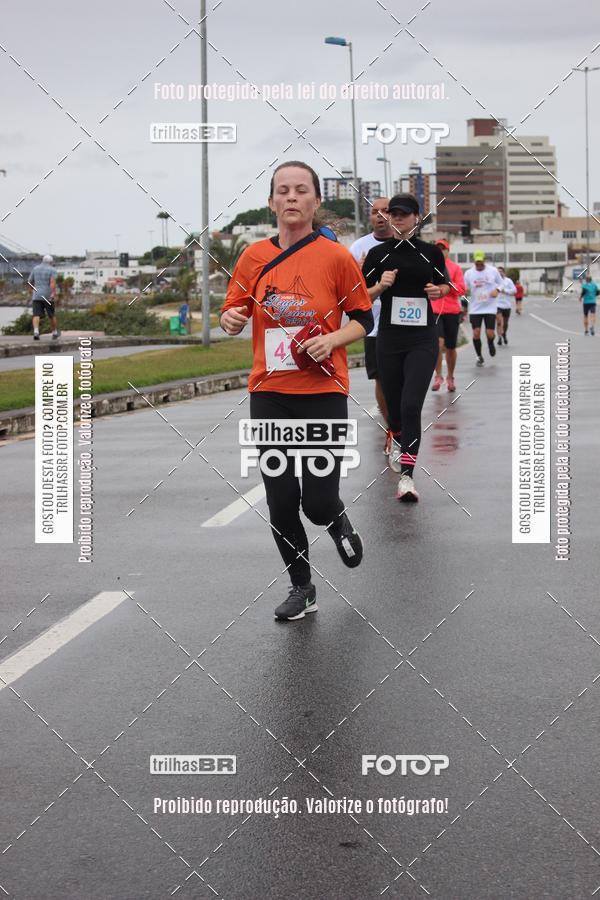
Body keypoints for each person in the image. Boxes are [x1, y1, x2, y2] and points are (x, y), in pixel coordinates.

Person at [220, 161, 373, 621]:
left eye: (300, 190)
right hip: (270, 393)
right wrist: (229, 319)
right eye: (282, 191)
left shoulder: (336, 257)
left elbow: (364, 319)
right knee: (281, 499)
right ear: (271, 202)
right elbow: (234, 309)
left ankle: (336, 516)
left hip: (324, 392)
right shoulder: (253, 257)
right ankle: (302, 586)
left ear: (315, 201)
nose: (291, 197)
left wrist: (332, 339)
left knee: (318, 501)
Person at [362, 193, 450, 502]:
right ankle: (396, 437)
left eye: (403, 213)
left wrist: (437, 290)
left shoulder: (431, 253)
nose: (396, 218)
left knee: (412, 405)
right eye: (392, 213)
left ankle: (408, 478)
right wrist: (381, 286)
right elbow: (362, 297)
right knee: (396, 410)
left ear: (416, 218)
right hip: (388, 339)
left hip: (422, 338)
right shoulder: (377, 255)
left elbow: (445, 287)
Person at [349, 198, 393, 447]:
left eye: (385, 211)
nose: (380, 216)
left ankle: (402, 422)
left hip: (404, 325)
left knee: (403, 380)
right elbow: (348, 287)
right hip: (374, 325)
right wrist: (358, 270)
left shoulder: (405, 244)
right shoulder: (359, 247)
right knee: (381, 379)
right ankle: (391, 428)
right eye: (375, 212)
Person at [431, 238, 466, 393]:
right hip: (435, 310)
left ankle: (450, 376)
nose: (440, 251)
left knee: (451, 347)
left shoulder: (455, 268)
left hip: (452, 311)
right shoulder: (431, 266)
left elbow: (462, 290)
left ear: (448, 251)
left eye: (443, 249)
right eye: (437, 249)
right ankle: (438, 376)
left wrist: (448, 283)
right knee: (437, 344)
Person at [463, 250, 504, 366]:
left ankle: (491, 343)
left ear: (484, 260)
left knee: (489, 333)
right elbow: (464, 289)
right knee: (476, 333)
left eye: (481, 262)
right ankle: (479, 356)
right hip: (475, 308)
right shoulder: (469, 273)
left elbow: (502, 283)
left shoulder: (493, 271)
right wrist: (464, 298)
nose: (479, 264)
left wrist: (497, 290)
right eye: (477, 262)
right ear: (474, 262)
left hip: (490, 307)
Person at [30, 254, 60, 341]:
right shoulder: (52, 270)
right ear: (51, 262)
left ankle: (36, 332)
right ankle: (54, 332)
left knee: (36, 314)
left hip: (36, 295)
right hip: (48, 296)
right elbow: (52, 283)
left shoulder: (35, 268)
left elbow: (29, 281)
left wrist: (34, 290)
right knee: (51, 315)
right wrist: (53, 294)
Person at [496, 266, 516, 345]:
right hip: (497, 305)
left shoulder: (508, 281)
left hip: (507, 305)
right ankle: (499, 337)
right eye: (498, 272)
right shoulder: (495, 281)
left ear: (504, 272)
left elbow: (514, 290)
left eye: (501, 271)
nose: (499, 273)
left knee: (505, 323)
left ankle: (504, 334)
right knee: (499, 322)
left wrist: (505, 291)